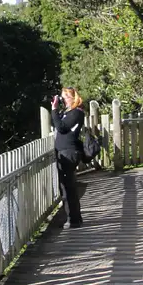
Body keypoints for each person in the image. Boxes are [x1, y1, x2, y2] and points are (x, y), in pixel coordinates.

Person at [51, 87, 85, 228]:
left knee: (68, 188)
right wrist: (57, 111)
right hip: (64, 152)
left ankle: (74, 220)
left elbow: (61, 128)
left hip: (68, 153)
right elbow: (59, 124)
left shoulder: (77, 113)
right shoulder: (69, 113)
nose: (62, 100)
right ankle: (74, 218)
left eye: (64, 97)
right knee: (67, 187)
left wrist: (53, 110)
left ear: (72, 98)